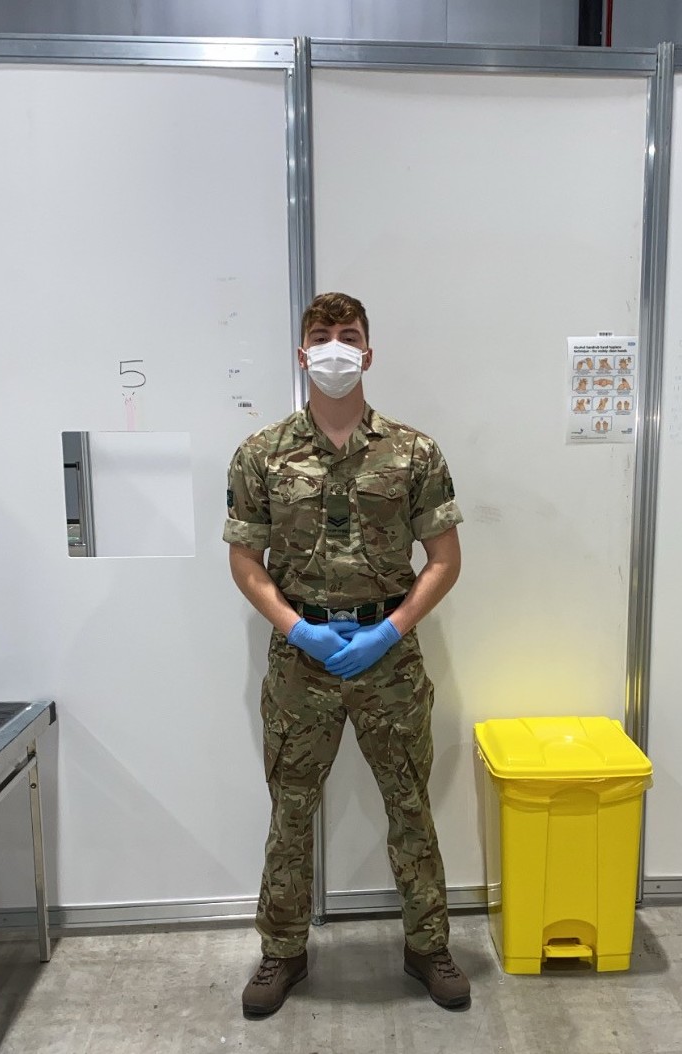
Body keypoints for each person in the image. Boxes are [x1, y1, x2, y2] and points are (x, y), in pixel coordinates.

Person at [224, 291, 469, 1016]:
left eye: (349, 335)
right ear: (303, 355)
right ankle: (281, 952)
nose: (335, 347)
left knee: (408, 805)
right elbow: (245, 561)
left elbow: (445, 559)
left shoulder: (413, 450)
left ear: (367, 352)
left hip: (387, 655)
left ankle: (427, 945)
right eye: (322, 336)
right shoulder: (262, 453)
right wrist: (297, 630)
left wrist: (389, 631)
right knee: (291, 809)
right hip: (301, 656)